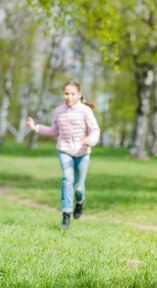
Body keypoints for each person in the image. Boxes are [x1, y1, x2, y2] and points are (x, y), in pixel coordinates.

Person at [26, 81, 100, 229]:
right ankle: (66, 215)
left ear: (79, 95)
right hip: (64, 150)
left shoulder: (85, 111)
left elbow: (95, 130)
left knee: (79, 186)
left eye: (72, 93)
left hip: (83, 152)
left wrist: (90, 140)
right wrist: (36, 127)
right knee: (67, 179)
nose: (69, 96)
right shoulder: (59, 111)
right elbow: (54, 131)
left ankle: (79, 202)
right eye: (66, 93)